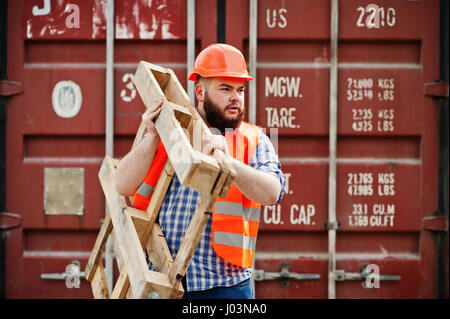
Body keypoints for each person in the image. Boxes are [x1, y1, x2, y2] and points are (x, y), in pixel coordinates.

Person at [115, 43, 286, 299]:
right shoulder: (168, 131)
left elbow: (273, 192)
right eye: (225, 89)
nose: (236, 97)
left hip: (226, 287)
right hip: (163, 281)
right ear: (200, 92)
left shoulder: (254, 140)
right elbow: (122, 185)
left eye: (240, 90)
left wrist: (229, 163)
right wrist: (151, 136)